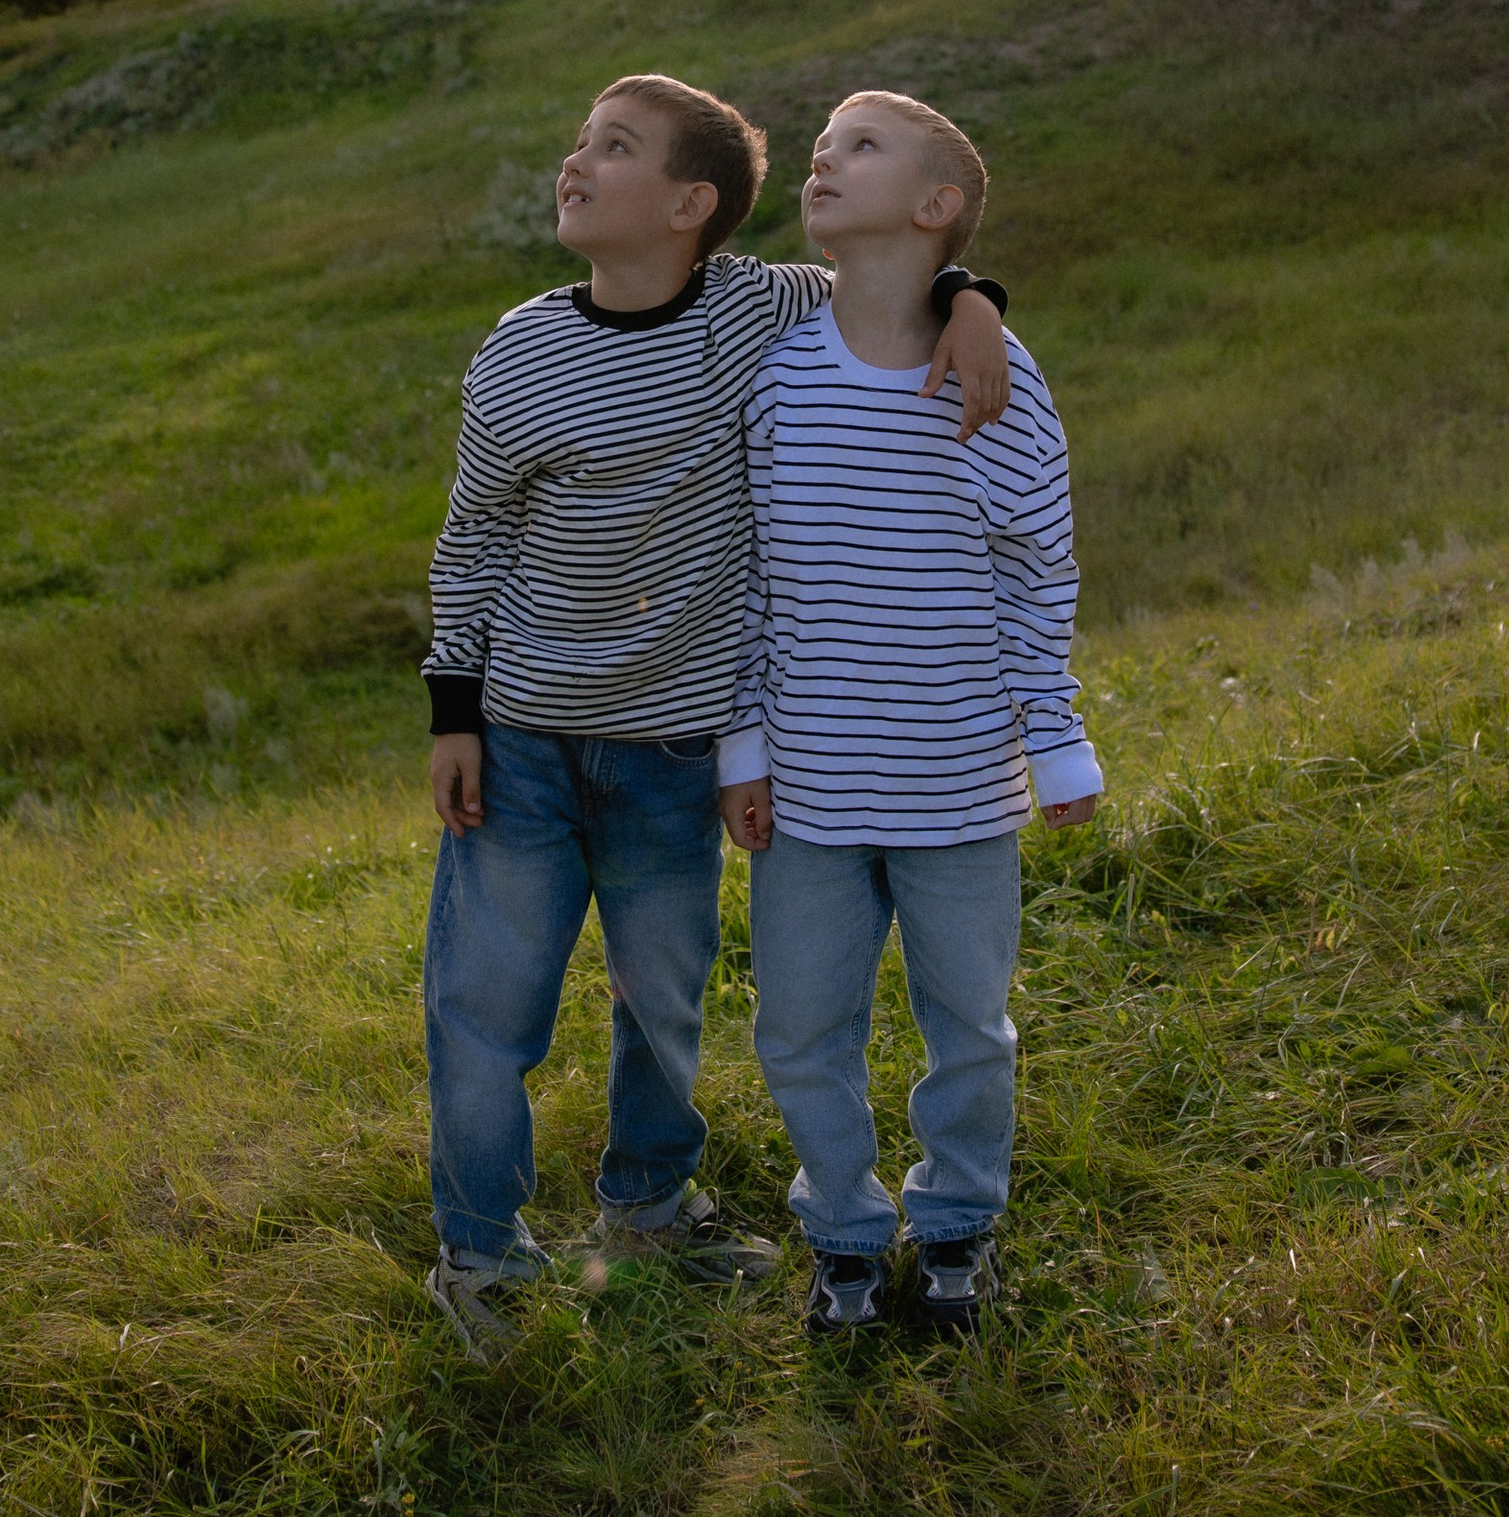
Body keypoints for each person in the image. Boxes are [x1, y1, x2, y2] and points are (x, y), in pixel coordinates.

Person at [419, 71, 1016, 1357]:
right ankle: (479, 1254)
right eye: (579, 140)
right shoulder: (520, 347)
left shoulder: (763, 311)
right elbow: (471, 537)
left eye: (613, 147)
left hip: (674, 750)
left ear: (692, 205)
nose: (575, 162)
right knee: (486, 1005)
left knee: (663, 1001)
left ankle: (645, 1206)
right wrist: (452, 707)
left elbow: (895, 275)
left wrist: (974, 303)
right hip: (522, 733)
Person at [716, 90, 1101, 1343]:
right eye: (822, 147)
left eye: (859, 144)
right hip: (812, 793)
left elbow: (1035, 562)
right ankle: (840, 1233)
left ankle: (955, 1230)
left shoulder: (994, 374)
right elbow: (750, 575)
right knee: (799, 1029)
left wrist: (1055, 737)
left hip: (956, 785)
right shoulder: (777, 373)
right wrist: (745, 744)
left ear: (936, 208)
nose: (823, 156)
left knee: (968, 1031)